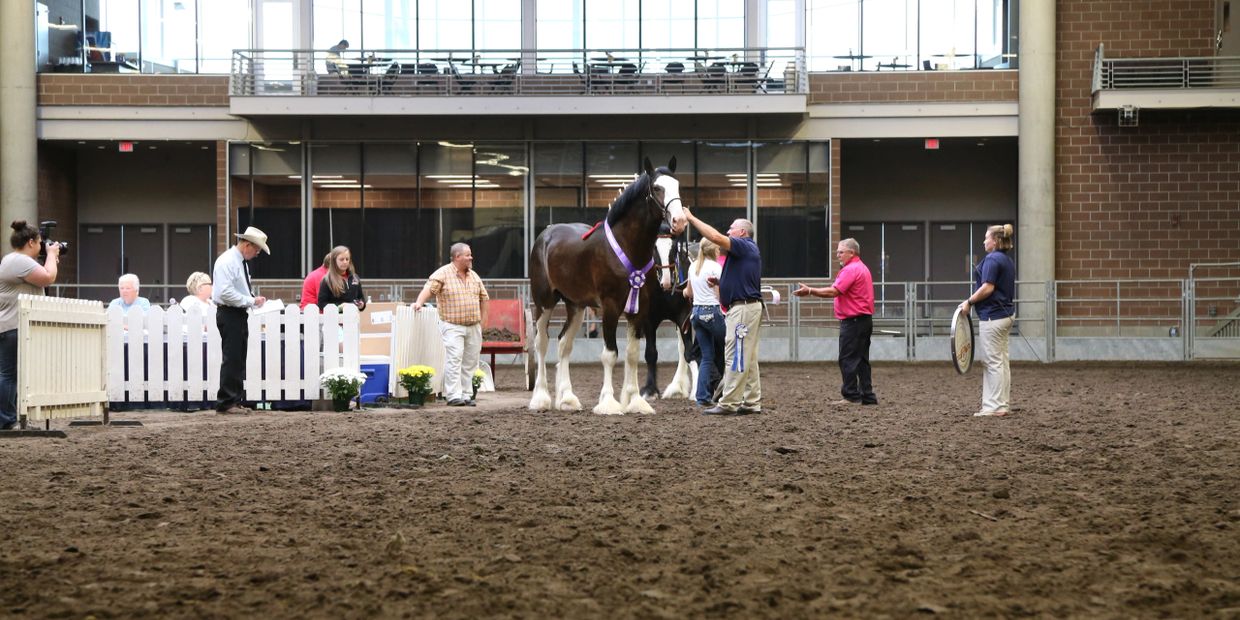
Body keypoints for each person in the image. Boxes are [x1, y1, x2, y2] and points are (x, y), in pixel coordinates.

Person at [684, 210, 763, 416]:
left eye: (732, 228)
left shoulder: (744, 246)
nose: (728, 231)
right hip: (748, 307)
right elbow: (743, 279)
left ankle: (728, 402)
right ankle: (751, 401)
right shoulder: (745, 252)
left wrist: (692, 218)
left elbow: (715, 237)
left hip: (742, 310)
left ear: (743, 232)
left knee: (735, 354)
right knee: (748, 356)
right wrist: (722, 283)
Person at [793, 238, 878, 406]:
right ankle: (867, 395)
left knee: (847, 359)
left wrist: (810, 290)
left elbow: (834, 291)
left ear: (851, 252)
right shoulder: (862, 268)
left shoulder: (850, 269)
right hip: (864, 320)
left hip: (852, 322)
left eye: (841, 251)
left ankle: (851, 395)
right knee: (861, 360)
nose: (837, 255)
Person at [0, 221, 59, 431]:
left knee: (13, 374)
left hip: (13, 324)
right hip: (12, 325)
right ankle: (7, 421)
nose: (42, 247)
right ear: (31, 242)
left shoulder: (14, 260)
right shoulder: (19, 261)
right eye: (41, 243)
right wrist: (52, 255)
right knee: (9, 375)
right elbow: (48, 277)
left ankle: (11, 418)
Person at [413, 243, 489, 407]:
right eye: (468, 255)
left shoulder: (474, 276)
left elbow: (484, 298)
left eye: (470, 254)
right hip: (452, 325)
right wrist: (419, 302)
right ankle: (454, 395)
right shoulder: (443, 273)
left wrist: (482, 323)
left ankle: (467, 394)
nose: (471, 257)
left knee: (470, 361)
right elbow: (429, 288)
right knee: (454, 358)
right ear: (457, 257)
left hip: (473, 326)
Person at [959, 224, 1016, 417]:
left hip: (993, 316)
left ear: (996, 241)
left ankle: (994, 406)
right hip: (1005, 315)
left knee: (992, 361)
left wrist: (969, 302)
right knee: (1001, 361)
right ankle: (1002, 403)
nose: (984, 241)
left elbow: (988, 288)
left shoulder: (992, 259)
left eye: (987, 238)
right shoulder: (1006, 260)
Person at [212, 227, 269, 415]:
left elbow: (234, 290)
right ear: (247, 245)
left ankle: (233, 400)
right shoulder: (229, 261)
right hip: (230, 313)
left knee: (237, 357)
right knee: (233, 358)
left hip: (235, 313)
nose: (257, 253)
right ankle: (227, 401)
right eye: (257, 249)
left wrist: (251, 299)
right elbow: (224, 292)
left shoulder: (236, 261)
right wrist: (250, 300)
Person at [683, 238, 725, 406]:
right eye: (717, 249)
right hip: (712, 312)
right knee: (731, 347)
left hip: (697, 313)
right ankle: (731, 389)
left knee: (707, 356)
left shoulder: (693, 267)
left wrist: (684, 294)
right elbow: (721, 293)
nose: (719, 251)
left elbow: (688, 292)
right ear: (713, 250)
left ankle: (702, 397)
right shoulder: (716, 267)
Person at [316, 246, 366, 312]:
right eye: (341, 259)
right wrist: (340, 307)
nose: (345, 262)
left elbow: (361, 298)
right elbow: (321, 304)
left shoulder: (355, 278)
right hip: (334, 319)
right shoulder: (327, 280)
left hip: (353, 318)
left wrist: (362, 304)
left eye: (347, 259)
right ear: (334, 261)